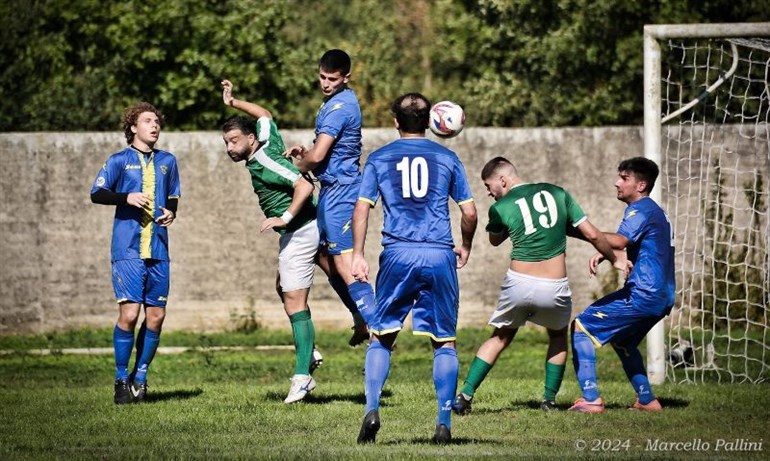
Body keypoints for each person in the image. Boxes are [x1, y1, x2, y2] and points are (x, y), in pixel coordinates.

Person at [351, 92, 478, 445]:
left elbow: (362, 209)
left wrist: (358, 253)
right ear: (430, 122)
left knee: (382, 335)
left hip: (397, 254)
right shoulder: (448, 157)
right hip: (438, 253)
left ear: (395, 121)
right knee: (444, 342)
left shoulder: (379, 158)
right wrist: (465, 245)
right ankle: (442, 423)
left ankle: (372, 409)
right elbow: (469, 212)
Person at [453, 157, 625, 415]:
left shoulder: (501, 207)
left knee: (500, 336)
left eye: (489, 186)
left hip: (519, 283)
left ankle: (465, 396)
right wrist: (614, 259)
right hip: (554, 285)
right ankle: (549, 401)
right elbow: (591, 234)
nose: (488, 192)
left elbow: (494, 240)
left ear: (503, 180)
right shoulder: (558, 193)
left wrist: (503, 219)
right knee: (557, 336)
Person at [221, 80, 323, 403]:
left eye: (234, 141)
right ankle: (310, 353)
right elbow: (264, 113)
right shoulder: (266, 137)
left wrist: (285, 218)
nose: (229, 149)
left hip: (301, 230)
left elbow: (304, 187)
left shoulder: (264, 162)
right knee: (283, 289)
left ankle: (302, 375)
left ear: (250, 139)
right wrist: (234, 102)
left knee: (295, 303)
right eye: (226, 143)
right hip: (305, 228)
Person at [90, 102, 181, 404]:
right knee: (129, 314)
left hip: (159, 249)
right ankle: (120, 379)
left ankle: (139, 379)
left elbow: (173, 197)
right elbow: (97, 192)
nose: (154, 126)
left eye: (157, 121)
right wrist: (125, 197)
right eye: (147, 121)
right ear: (132, 127)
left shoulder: (168, 160)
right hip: (127, 249)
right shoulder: (118, 160)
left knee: (156, 316)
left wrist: (171, 213)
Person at [569, 157, 675, 413]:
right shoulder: (654, 211)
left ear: (641, 185)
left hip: (643, 294)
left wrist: (577, 230)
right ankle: (647, 400)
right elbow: (642, 246)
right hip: (662, 296)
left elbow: (619, 241)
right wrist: (605, 253)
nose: (617, 183)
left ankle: (591, 399)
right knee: (624, 342)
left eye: (624, 178)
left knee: (581, 327)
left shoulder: (641, 210)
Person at [285, 49, 373, 346]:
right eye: (322, 76)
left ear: (346, 77)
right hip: (330, 190)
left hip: (343, 191)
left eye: (332, 79)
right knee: (325, 257)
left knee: (344, 262)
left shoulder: (340, 107)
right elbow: (321, 153)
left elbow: (319, 155)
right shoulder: (332, 102)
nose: (325, 83)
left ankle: (378, 328)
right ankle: (361, 318)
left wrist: (297, 166)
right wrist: (306, 154)